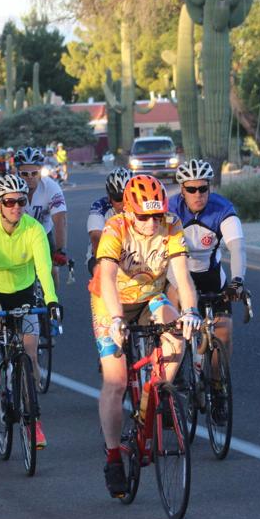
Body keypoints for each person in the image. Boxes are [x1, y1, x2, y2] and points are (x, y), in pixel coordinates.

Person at [90, 174, 200, 498]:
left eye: (157, 215)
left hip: (150, 296)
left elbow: (183, 276)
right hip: (111, 301)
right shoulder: (115, 228)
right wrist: (116, 319)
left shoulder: (172, 224)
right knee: (115, 382)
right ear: (128, 210)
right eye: (143, 216)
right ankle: (113, 456)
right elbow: (107, 278)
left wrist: (190, 311)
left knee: (178, 333)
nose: (152, 223)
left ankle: (156, 394)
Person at [0, 174, 61, 449]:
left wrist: (52, 301)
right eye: (10, 202)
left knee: (30, 354)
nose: (16, 207)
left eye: (21, 201)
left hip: (22, 290)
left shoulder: (34, 229)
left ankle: (34, 422)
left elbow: (44, 269)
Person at [168, 158, 247, 362]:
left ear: (209, 187)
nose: (198, 194)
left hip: (211, 275)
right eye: (191, 189)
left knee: (224, 332)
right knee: (174, 329)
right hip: (179, 274)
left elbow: (237, 247)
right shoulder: (170, 209)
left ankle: (217, 379)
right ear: (182, 190)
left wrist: (237, 281)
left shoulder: (222, 208)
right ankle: (174, 369)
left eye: (203, 188)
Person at [15, 147, 68, 287]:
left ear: (41, 171)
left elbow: (60, 220)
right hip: (17, 234)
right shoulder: (11, 188)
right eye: (24, 174)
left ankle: (52, 299)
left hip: (43, 233)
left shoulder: (51, 187)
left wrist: (60, 250)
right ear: (17, 173)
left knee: (52, 270)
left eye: (34, 173)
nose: (30, 177)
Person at [86, 167, 132, 275]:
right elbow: (96, 237)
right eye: (118, 198)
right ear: (109, 197)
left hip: (134, 253)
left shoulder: (140, 205)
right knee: (101, 273)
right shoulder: (99, 206)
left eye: (127, 198)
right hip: (102, 252)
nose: (123, 204)